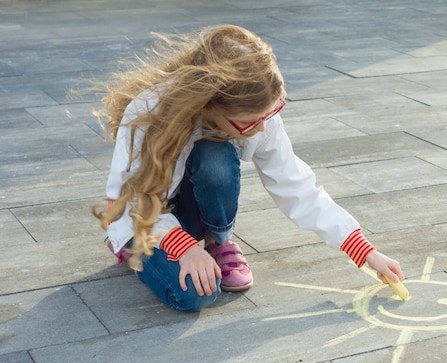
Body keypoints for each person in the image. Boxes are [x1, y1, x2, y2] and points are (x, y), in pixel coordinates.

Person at [92, 24, 404, 312]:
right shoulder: (150, 111)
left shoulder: (260, 115)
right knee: (196, 294)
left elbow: (295, 186)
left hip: (184, 212)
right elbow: (130, 199)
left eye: (270, 113)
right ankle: (133, 251)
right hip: (141, 219)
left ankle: (218, 241)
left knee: (216, 155)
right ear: (208, 106)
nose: (259, 129)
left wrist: (364, 251)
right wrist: (182, 247)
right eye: (247, 123)